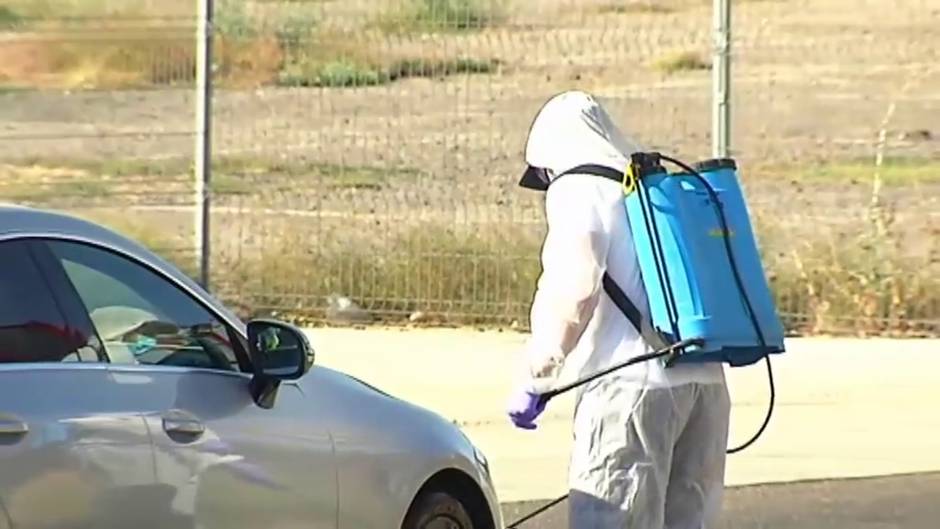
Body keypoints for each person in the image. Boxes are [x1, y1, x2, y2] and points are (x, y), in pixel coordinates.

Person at [506, 90, 732, 529]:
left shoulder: (577, 186)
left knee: (610, 518)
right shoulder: (652, 185)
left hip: (629, 390)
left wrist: (537, 375)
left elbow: (575, 289)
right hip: (705, 383)